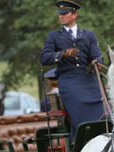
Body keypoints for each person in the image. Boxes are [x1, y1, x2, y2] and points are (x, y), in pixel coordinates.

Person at [40, 0, 104, 142]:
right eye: (60, 14)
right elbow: (44, 58)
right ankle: (85, 136)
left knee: (100, 101)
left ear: (74, 15)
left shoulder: (89, 35)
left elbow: (97, 55)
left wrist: (97, 63)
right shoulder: (54, 36)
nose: (61, 16)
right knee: (79, 101)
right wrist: (62, 54)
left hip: (87, 78)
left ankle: (102, 132)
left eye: (64, 14)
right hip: (68, 80)